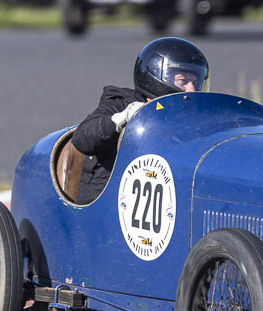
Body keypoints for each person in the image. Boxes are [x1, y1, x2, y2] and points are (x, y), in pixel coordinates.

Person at [71, 37, 210, 204]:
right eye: (183, 81)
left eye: (195, 82)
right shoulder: (119, 103)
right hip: (109, 198)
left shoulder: (195, 115)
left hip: (168, 197)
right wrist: (121, 119)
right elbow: (81, 139)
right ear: (156, 75)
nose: (192, 89)